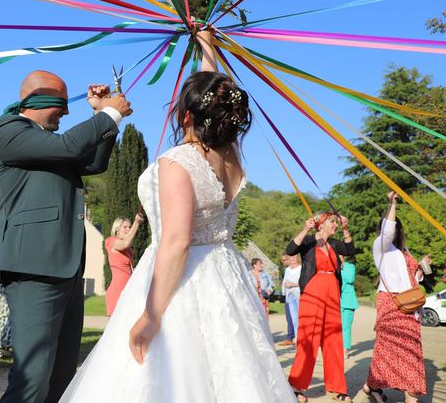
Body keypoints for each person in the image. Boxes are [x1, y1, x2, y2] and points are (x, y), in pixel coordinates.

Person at [60, 30, 296, 402]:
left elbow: (176, 241)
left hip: (178, 280)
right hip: (225, 275)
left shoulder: (177, 163)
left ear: (187, 115)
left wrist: (152, 316)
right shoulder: (231, 156)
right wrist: (206, 46)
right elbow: (215, 94)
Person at [0, 69, 132, 403]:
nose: (66, 113)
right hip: (34, 267)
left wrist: (99, 113)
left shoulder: (48, 146)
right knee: (32, 379)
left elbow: (92, 163)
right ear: (41, 100)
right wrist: (110, 113)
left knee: (61, 377)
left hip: (66, 268)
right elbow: (68, 146)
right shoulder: (8, 130)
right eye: (62, 105)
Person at [362, 192, 428, 403]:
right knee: (391, 346)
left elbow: (411, 279)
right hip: (391, 304)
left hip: (409, 304)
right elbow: (388, 231)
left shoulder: (405, 251)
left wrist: (421, 270)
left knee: (407, 347)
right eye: (387, 225)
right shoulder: (380, 247)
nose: (391, 229)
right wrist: (392, 203)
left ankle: (371, 386)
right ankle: (410, 397)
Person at [286, 212, 355, 402]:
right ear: (321, 224)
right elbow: (290, 249)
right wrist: (305, 228)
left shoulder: (333, 244)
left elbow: (350, 249)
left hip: (332, 293)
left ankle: (337, 387)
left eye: (335, 223)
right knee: (309, 340)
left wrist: (345, 227)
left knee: (333, 341)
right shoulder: (308, 241)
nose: (335, 225)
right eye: (333, 222)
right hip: (313, 293)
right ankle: (296, 386)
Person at [105, 214, 144, 316]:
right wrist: (136, 223)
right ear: (117, 230)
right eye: (125, 227)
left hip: (129, 291)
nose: (128, 229)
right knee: (114, 329)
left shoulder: (129, 250)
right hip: (117, 292)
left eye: (129, 227)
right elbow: (124, 244)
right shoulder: (111, 241)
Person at [339, 254, 358, 358]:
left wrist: (342, 267)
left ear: (344, 256)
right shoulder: (331, 267)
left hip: (347, 301)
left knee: (345, 326)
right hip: (334, 301)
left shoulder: (350, 267)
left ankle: (344, 349)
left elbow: (350, 279)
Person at [283, 254, 302, 344]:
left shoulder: (301, 268)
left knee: (300, 317)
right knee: (294, 318)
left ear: (298, 258)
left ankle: (303, 337)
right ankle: (297, 337)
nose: (293, 259)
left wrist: (293, 284)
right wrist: (284, 290)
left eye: (295, 257)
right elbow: (285, 281)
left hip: (299, 295)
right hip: (290, 296)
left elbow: (303, 282)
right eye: (291, 258)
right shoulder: (287, 269)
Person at [278, 253, 296, 346]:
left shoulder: (298, 269)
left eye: (284, 260)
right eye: (282, 260)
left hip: (295, 295)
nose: (282, 262)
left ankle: (293, 337)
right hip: (287, 296)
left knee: (295, 318)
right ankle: (290, 337)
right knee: (289, 318)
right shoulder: (286, 270)